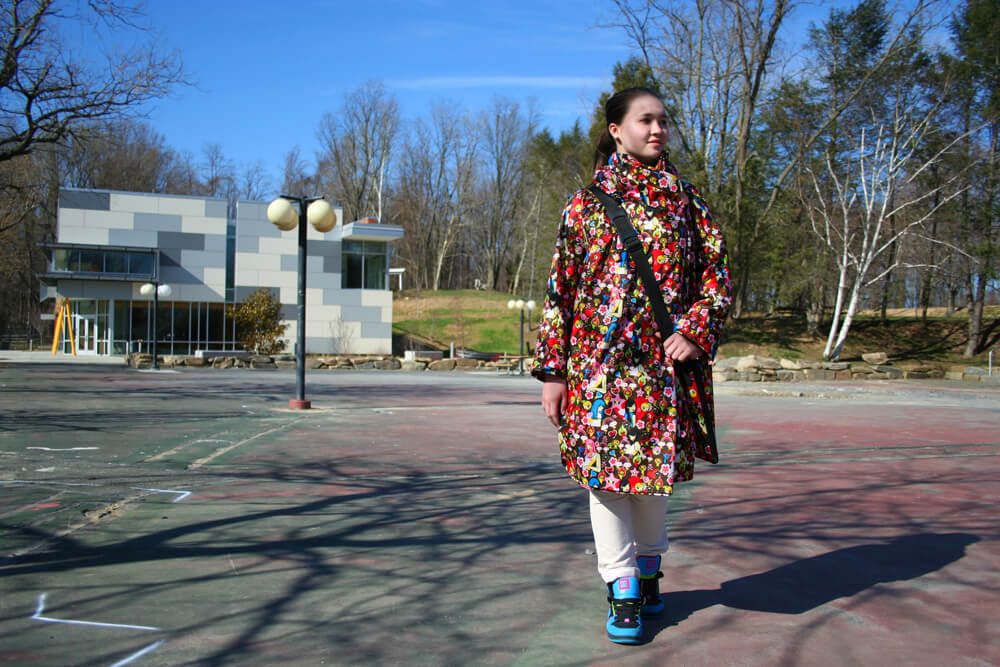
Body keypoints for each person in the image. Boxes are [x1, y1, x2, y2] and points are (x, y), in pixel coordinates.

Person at [531, 87, 730, 645]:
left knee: (651, 483)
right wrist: (553, 372)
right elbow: (560, 293)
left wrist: (695, 330)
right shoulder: (585, 203)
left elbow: (718, 278)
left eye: (663, 121)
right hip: (598, 369)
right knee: (607, 481)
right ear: (617, 129)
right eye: (646, 120)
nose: (658, 129)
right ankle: (621, 587)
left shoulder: (688, 203)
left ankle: (648, 570)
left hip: (663, 370)